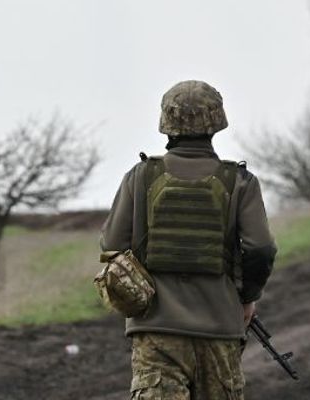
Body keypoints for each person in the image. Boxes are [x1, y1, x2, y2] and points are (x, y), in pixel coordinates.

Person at [100, 80, 278, 399]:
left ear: (167, 123)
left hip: (156, 331)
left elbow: (112, 244)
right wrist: (248, 297)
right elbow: (260, 248)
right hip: (220, 328)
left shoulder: (140, 177)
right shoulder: (240, 182)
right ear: (217, 122)